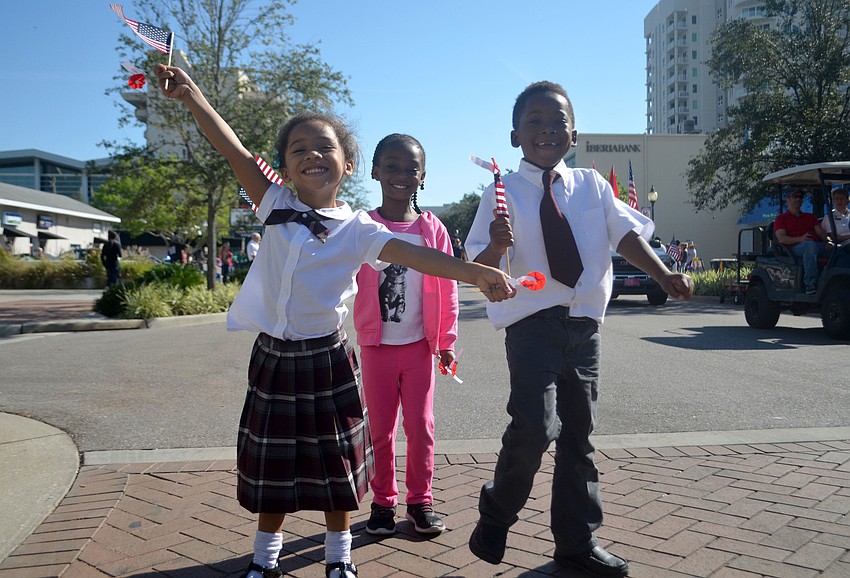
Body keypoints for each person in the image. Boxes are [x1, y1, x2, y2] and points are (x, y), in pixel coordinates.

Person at [155, 63, 515, 578]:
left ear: (347, 165)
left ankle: (339, 557)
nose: (312, 154)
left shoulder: (358, 230)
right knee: (272, 464)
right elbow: (230, 146)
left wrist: (476, 272)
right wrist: (191, 96)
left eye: (324, 147)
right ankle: (265, 558)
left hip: (327, 357)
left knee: (337, 463)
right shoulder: (272, 202)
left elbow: (416, 257)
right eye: (299, 148)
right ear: (283, 165)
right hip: (274, 357)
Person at [464, 81, 694, 577]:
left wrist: (663, 273)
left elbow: (625, 236)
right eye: (535, 122)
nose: (547, 129)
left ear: (574, 134)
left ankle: (577, 542)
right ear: (514, 136)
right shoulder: (499, 193)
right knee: (536, 425)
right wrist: (494, 247)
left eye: (558, 121)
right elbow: (477, 268)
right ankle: (496, 512)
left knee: (578, 438)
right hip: (532, 325)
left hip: (584, 327)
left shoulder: (592, 185)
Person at [353, 134, 457, 537]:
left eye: (410, 168)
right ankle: (383, 503)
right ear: (376, 172)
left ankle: (420, 501)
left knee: (421, 426)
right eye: (391, 167)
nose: (401, 175)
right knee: (379, 429)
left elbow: (448, 287)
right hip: (376, 347)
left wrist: (445, 342)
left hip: (419, 347)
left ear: (423, 176)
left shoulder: (432, 230)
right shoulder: (363, 227)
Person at [774, 189, 829, 294]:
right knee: (810, 246)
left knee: (840, 249)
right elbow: (781, 238)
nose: (798, 199)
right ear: (788, 200)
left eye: (800, 197)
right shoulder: (781, 219)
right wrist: (800, 239)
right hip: (794, 248)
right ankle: (810, 284)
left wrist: (828, 241)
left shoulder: (810, 217)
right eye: (795, 196)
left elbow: (820, 232)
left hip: (815, 245)